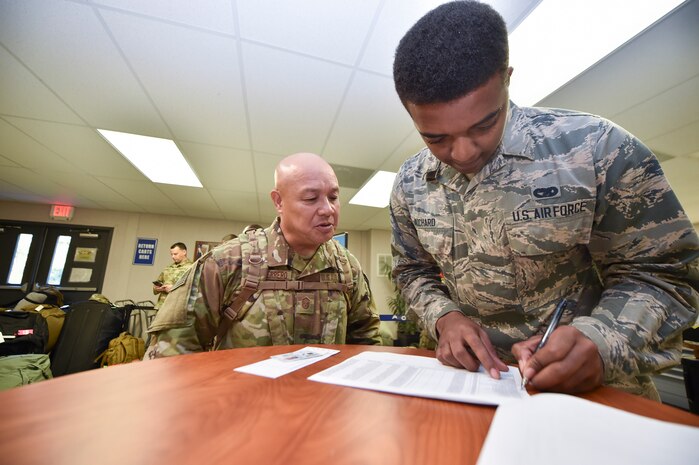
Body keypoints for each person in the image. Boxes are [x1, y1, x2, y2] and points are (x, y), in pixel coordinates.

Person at [389, 1, 699, 399]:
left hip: (595, 394)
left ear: (507, 80)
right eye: (436, 138)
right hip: (475, 389)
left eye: (484, 124)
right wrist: (443, 316)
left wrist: (602, 340)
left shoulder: (596, 149)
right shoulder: (411, 182)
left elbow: (666, 274)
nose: (463, 153)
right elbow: (412, 272)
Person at [144, 152, 380, 358]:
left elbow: (366, 340)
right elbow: (173, 349)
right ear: (278, 202)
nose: (328, 209)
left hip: (324, 405)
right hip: (243, 405)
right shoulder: (229, 261)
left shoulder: (347, 267)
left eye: (333, 197)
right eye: (311, 198)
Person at [152, 242, 193, 309]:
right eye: (171, 254)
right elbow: (157, 286)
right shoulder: (168, 268)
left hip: (177, 307)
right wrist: (157, 288)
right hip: (162, 306)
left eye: (175, 254)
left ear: (184, 252)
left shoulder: (192, 267)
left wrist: (173, 288)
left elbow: (193, 288)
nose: (173, 256)